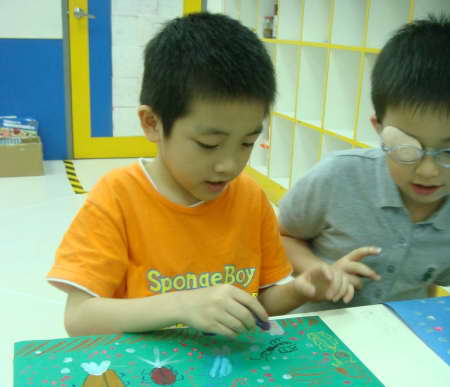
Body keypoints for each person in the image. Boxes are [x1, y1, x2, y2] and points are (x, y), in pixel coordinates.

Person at [47, 12, 354, 338]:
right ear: (152, 124)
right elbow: (79, 319)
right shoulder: (117, 197)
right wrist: (181, 305)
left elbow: (258, 303)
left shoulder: (249, 197)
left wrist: (301, 290)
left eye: (247, 143)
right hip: (151, 364)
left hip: (230, 363)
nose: (229, 166)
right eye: (209, 144)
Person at [278, 14, 450, 313]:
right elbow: (280, 236)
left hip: (400, 333)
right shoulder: (337, 177)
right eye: (408, 147)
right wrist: (319, 271)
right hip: (323, 328)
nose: (428, 170)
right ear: (378, 127)